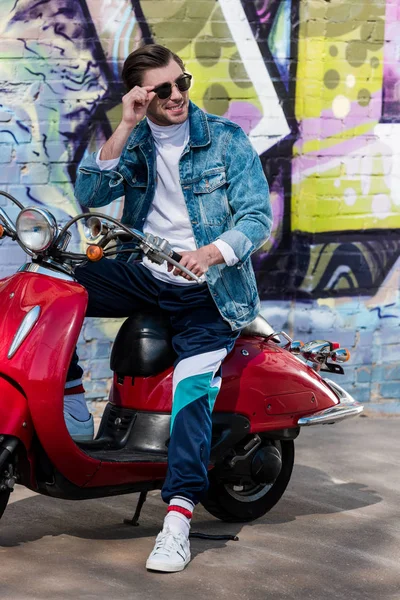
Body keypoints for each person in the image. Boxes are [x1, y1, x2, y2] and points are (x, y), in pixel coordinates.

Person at [66, 44, 272, 572]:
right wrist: (126, 123)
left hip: (211, 292)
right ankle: (67, 399)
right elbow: (90, 191)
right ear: (141, 95)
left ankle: (177, 520)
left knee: (191, 396)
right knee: (51, 283)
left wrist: (208, 255)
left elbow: (254, 218)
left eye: (182, 83)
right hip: (146, 273)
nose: (177, 95)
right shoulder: (135, 140)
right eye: (162, 89)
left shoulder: (224, 139)